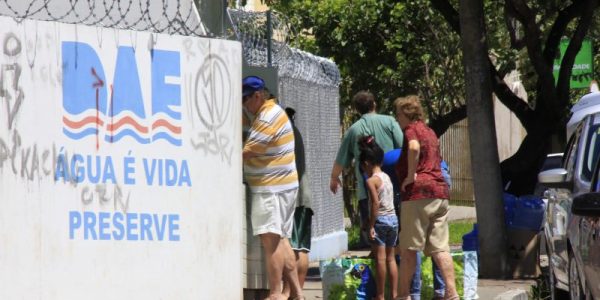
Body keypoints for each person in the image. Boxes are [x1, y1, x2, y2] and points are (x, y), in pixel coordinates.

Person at [242, 76, 304, 300]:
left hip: (271, 188)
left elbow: (247, 151)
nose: (244, 105)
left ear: (258, 95)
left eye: (245, 99)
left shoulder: (267, 117)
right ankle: (297, 294)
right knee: (282, 240)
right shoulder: (271, 112)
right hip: (282, 186)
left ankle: (275, 294)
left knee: (271, 243)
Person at [394, 95, 458, 300]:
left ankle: (403, 295)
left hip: (418, 194)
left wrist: (411, 174)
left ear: (407, 114)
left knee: (409, 249)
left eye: (398, 114)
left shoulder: (411, 129)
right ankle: (452, 294)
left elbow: (413, 147)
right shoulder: (430, 131)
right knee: (440, 248)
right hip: (440, 192)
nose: (397, 119)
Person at [329, 91, 403, 246]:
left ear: (357, 109)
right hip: (392, 185)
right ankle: (396, 258)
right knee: (396, 230)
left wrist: (334, 177)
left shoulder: (354, 130)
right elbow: (404, 147)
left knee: (374, 234)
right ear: (374, 104)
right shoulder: (390, 122)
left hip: (367, 188)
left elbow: (341, 158)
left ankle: (377, 261)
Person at [359, 135, 399, 300]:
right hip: (394, 221)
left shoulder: (371, 181)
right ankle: (395, 295)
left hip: (381, 221)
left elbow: (375, 204)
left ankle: (380, 296)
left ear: (366, 164)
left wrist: (371, 225)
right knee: (391, 259)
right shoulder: (387, 177)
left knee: (380, 259)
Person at [282, 107, 314, 298]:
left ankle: (290, 292)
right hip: (305, 197)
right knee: (302, 248)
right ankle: (297, 292)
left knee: (291, 248)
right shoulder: (297, 133)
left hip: (294, 198)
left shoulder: (287, 133)